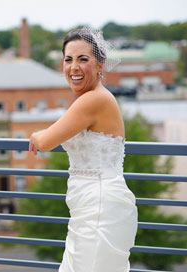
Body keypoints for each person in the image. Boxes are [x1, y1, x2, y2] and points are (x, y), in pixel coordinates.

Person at [28, 27, 137, 271]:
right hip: (87, 207)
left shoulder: (94, 99)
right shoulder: (92, 97)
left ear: (101, 64)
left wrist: (35, 135)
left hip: (100, 207)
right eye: (68, 59)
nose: (74, 67)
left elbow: (46, 141)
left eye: (83, 59)